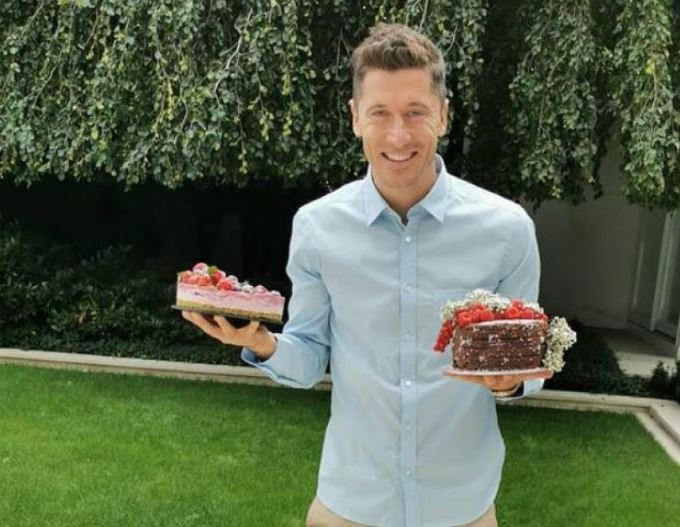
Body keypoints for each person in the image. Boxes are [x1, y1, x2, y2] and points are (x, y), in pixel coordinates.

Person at [183, 22, 552, 527]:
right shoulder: (316, 227)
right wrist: (262, 343)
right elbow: (309, 355)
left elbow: (527, 361)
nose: (398, 135)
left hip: (460, 507)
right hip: (350, 503)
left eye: (416, 111)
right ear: (356, 117)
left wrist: (509, 383)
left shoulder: (506, 229)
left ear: (443, 115)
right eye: (380, 113)